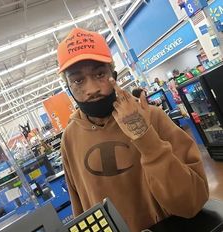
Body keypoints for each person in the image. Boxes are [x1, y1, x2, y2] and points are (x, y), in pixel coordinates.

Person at [57, 28, 209, 232]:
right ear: (68, 88)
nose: (92, 89)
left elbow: (193, 200)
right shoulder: (70, 138)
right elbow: (80, 208)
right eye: (78, 80)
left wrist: (145, 137)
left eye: (100, 74)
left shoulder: (152, 117)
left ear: (114, 75)